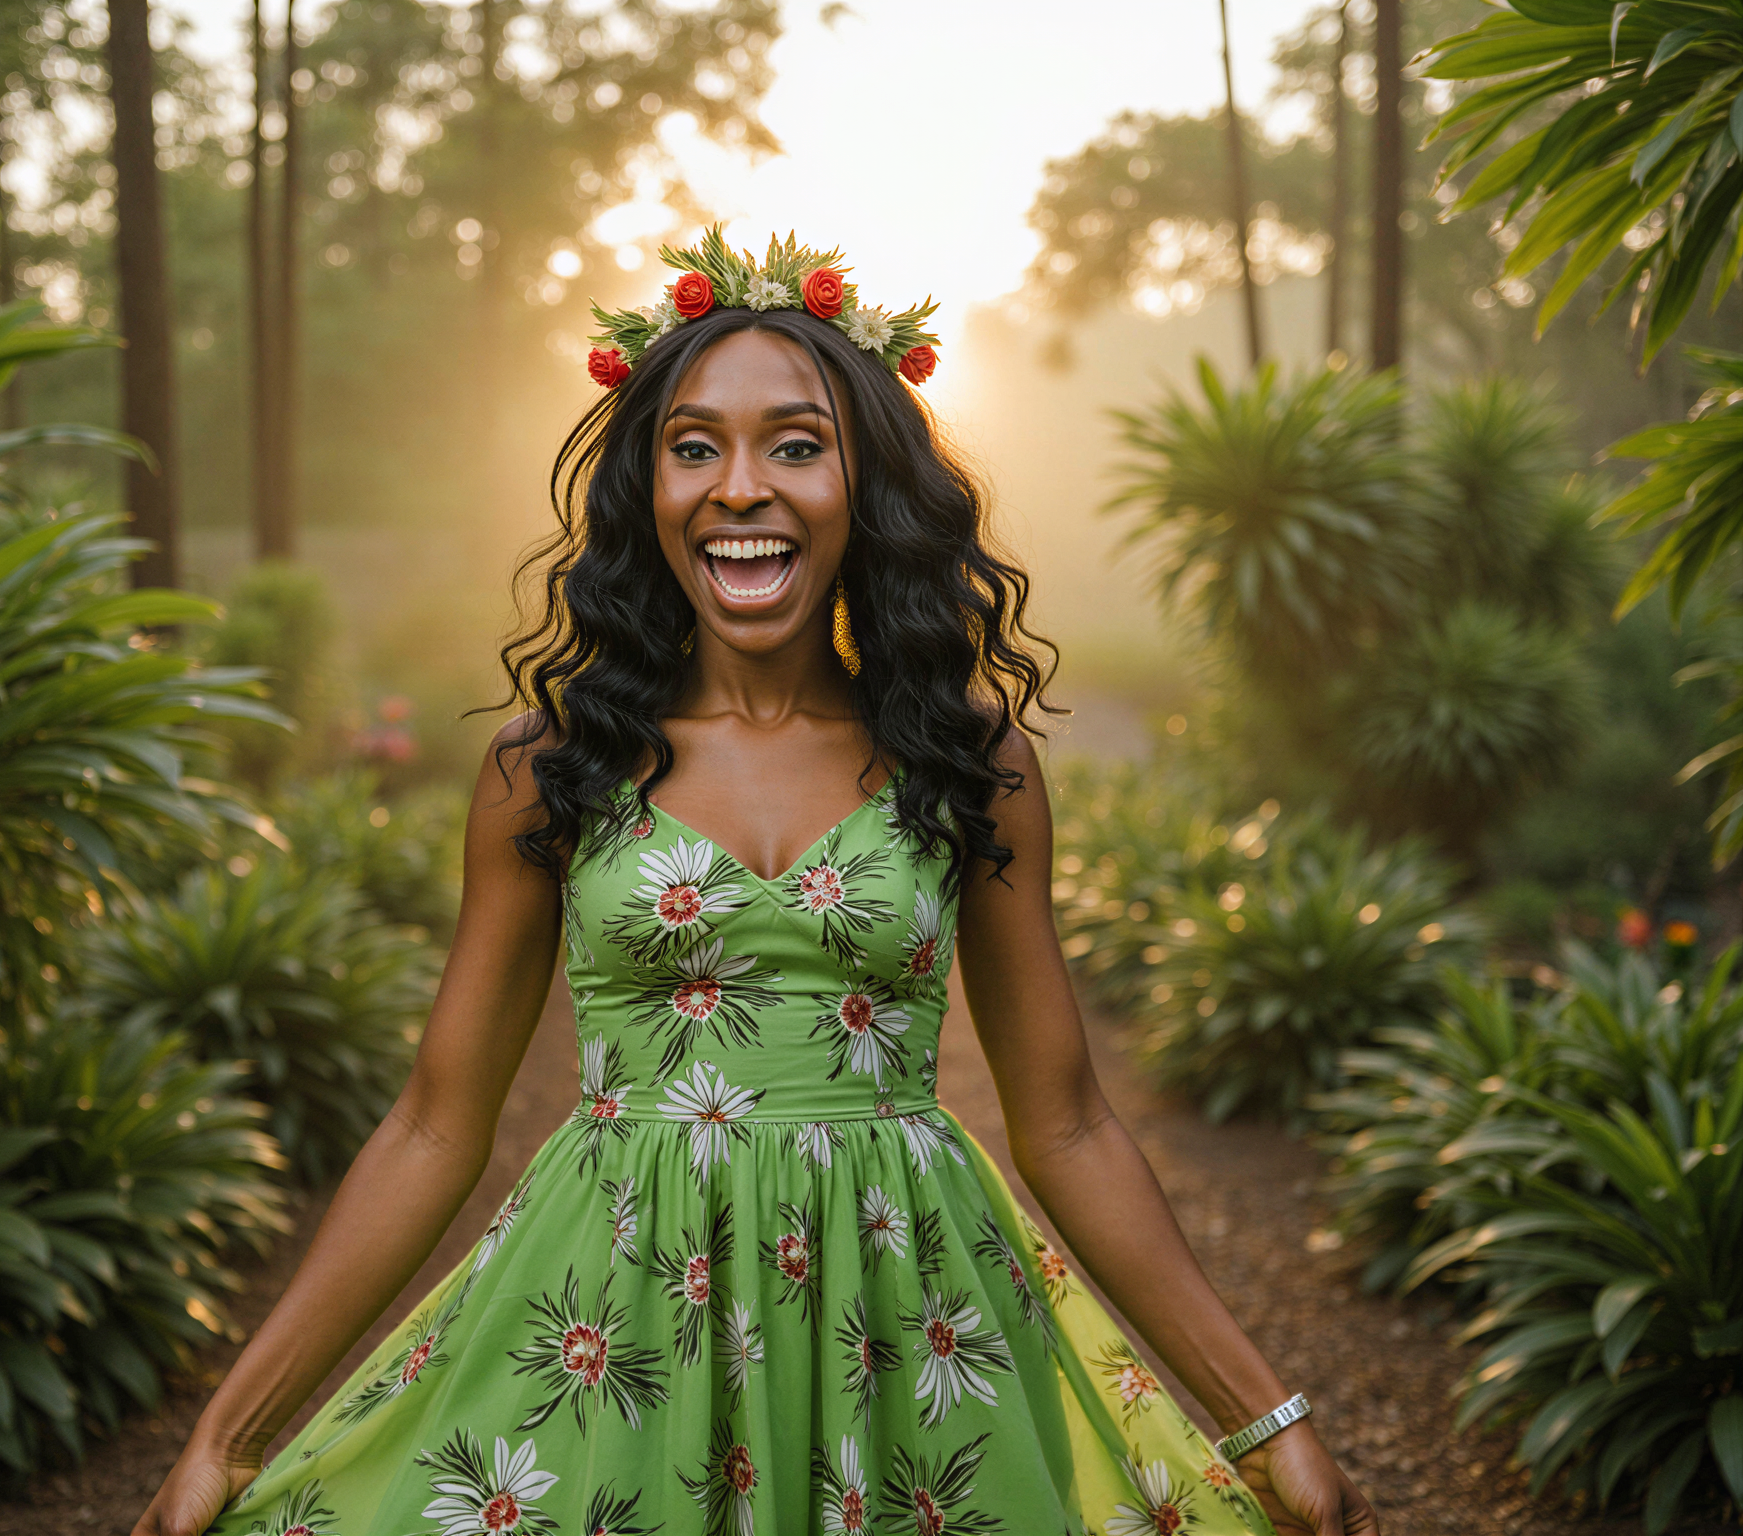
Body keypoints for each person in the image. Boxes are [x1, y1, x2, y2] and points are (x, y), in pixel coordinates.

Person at [133, 231, 1382, 1536]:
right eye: (693, 447)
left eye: (795, 444)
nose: (741, 487)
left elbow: (1065, 1122)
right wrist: (231, 1432)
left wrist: (1268, 1419)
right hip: (620, 1324)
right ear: (647, 486)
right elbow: (436, 1127)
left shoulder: (967, 758)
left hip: (904, 1329)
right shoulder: (552, 766)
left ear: (866, 485)